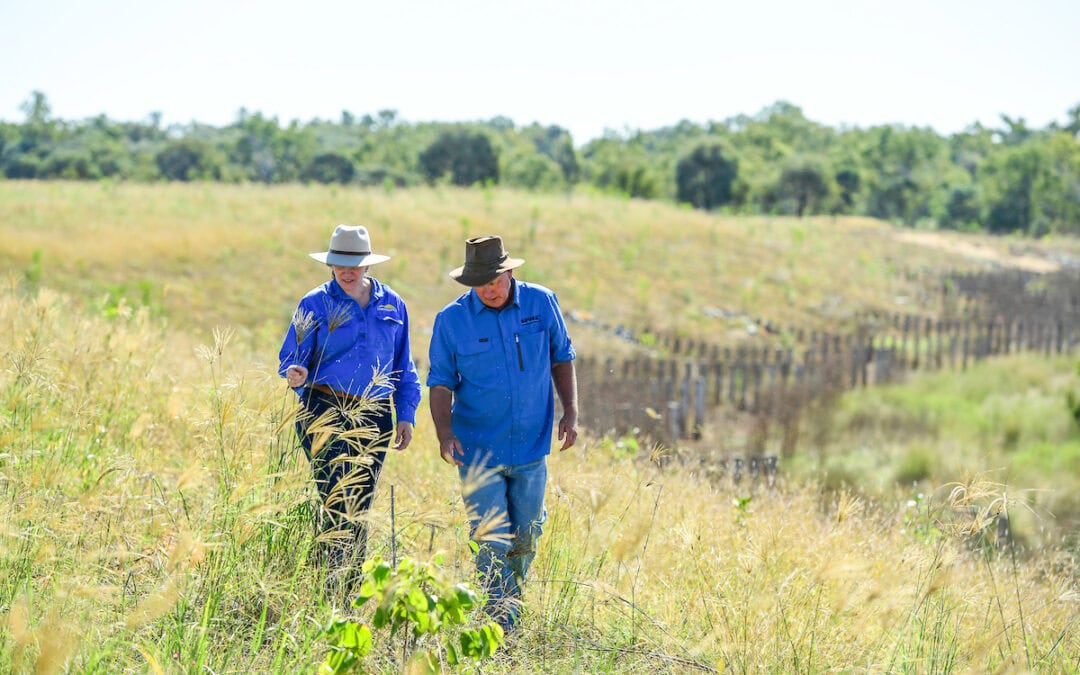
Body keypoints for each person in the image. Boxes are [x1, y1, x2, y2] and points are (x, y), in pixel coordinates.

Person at [427, 235, 578, 632]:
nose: (489, 290)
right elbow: (440, 383)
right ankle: (501, 625)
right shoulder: (451, 320)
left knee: (526, 534)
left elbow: (562, 357)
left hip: (531, 445)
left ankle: (510, 600)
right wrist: (444, 433)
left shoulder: (542, 303)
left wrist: (572, 411)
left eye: (495, 281)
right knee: (491, 537)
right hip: (476, 448)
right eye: (481, 284)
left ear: (510, 273)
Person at [278, 224, 421, 587]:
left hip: (375, 414)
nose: (347, 270)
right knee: (336, 499)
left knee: (360, 503)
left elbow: (404, 366)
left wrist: (405, 414)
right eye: (340, 263)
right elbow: (292, 357)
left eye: (354, 263)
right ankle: (331, 583)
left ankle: (346, 585)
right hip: (323, 409)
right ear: (330, 264)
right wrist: (296, 372)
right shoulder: (314, 303)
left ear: (367, 265)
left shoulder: (393, 304)